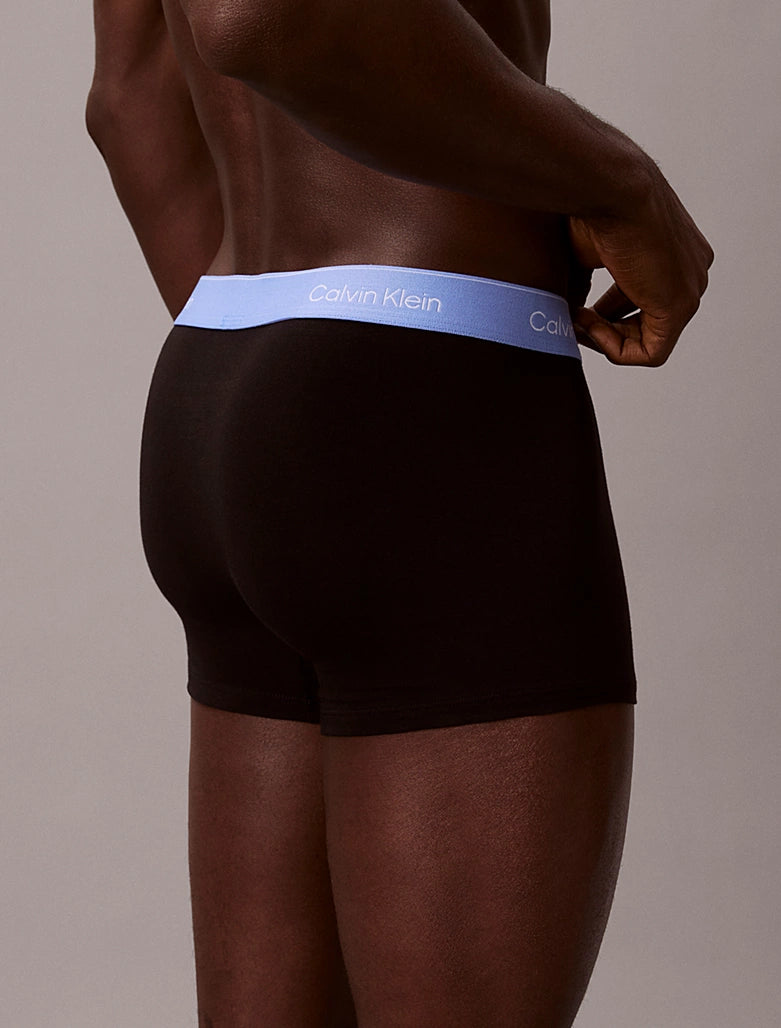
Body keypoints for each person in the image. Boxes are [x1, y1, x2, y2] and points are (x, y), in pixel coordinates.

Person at [86, 1, 713, 1024]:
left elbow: (130, 98)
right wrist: (621, 182)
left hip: (226, 362)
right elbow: (255, 16)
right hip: (425, 376)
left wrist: (279, 388)